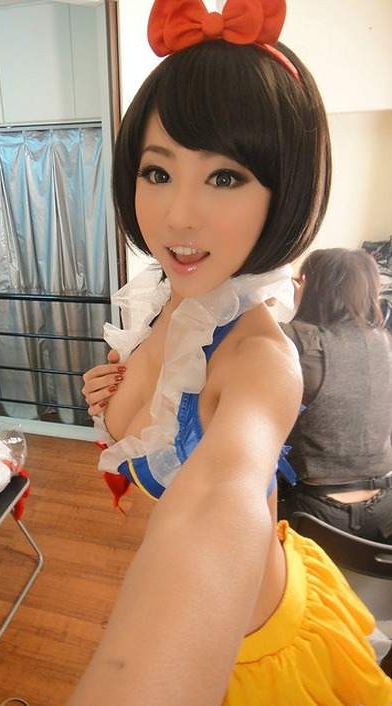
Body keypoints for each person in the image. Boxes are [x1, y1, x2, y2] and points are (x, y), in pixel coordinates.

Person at [71, 1, 392, 704]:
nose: (178, 216)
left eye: (225, 177)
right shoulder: (172, 301)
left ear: (283, 193)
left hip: (255, 656)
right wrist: (115, 396)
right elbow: (157, 421)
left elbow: (223, 493)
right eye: (158, 172)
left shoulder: (260, 359)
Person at [278, 248, 392, 540]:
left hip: (314, 514)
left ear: (311, 286)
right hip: (383, 510)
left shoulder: (296, 340)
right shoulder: (384, 343)